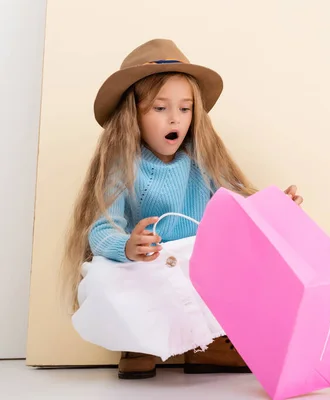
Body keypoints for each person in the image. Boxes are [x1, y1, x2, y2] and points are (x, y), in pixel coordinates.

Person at [61, 38, 303, 380]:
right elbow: (102, 229)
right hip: (149, 262)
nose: (174, 118)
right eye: (160, 108)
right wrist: (128, 247)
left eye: (185, 108)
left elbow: (238, 208)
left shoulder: (202, 160)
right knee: (104, 275)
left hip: (196, 260)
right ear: (134, 114)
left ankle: (212, 344)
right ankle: (139, 345)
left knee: (238, 263)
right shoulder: (123, 166)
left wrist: (274, 207)